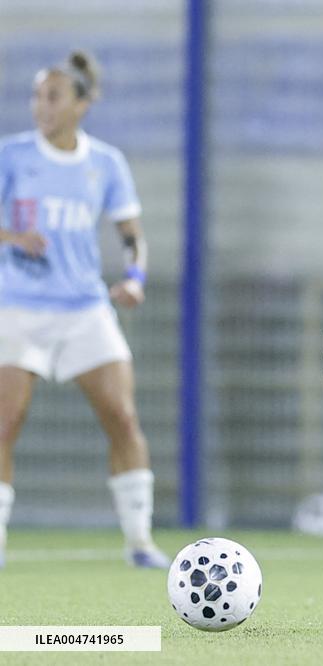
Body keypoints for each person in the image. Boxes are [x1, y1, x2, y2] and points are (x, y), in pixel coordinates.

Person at [0, 51, 169, 569]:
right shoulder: (12, 156)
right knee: (6, 421)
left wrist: (135, 278)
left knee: (122, 417)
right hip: (18, 307)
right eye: (37, 96)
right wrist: (12, 237)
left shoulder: (105, 163)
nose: (41, 106)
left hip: (84, 308)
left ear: (81, 104)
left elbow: (132, 235)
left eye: (53, 97)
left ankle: (140, 542)